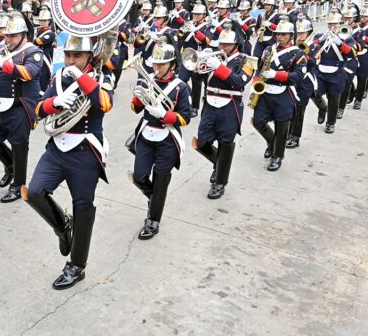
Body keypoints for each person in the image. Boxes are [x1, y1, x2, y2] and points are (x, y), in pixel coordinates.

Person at [25, 34, 113, 289]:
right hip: (57, 147)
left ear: (89, 57)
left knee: (83, 207)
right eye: (68, 55)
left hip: (86, 151)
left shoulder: (102, 77)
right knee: (34, 192)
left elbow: (104, 103)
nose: (71, 60)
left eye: (78, 56)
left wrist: (81, 77)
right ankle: (63, 226)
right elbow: (39, 109)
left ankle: (77, 265)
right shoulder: (58, 77)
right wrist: (54, 102)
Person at [127, 40, 191, 240]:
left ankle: (153, 221)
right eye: (154, 64)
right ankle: (154, 198)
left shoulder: (181, 87)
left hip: (167, 139)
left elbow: (185, 118)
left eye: (161, 64)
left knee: (161, 181)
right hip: (146, 135)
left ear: (172, 64)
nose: (156, 68)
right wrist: (139, 96)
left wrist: (165, 114)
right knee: (139, 176)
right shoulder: (148, 80)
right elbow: (135, 109)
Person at [0, 11, 43, 203]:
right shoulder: (2, 47)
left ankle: (18, 184)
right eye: (6, 35)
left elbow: (29, 73)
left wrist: (4, 63)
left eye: (13, 36)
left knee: (19, 146)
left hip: (20, 106)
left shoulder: (33, 52)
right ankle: (10, 165)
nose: (8, 39)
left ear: (24, 35)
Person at [191, 23, 250, 199]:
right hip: (210, 104)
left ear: (236, 45)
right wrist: (196, 67)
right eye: (221, 44)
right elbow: (197, 79)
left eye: (227, 45)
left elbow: (239, 82)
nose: (222, 47)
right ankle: (220, 164)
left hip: (230, 105)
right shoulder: (212, 56)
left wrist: (219, 67)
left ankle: (220, 182)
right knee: (202, 141)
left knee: (226, 143)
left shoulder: (246, 61)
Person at [251, 17, 307, 171]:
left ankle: (277, 156)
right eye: (278, 34)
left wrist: (276, 75)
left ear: (291, 35)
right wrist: (255, 81)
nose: (279, 37)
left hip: (284, 92)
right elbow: (259, 67)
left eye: (283, 34)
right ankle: (271, 142)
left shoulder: (298, 53)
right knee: (258, 121)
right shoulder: (269, 49)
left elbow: (298, 76)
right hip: (265, 90)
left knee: (282, 126)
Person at [307, 11, 355, 134]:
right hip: (321, 70)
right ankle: (323, 108)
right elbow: (309, 49)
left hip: (337, 71)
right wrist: (319, 40)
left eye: (335, 23)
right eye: (330, 23)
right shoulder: (320, 36)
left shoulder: (347, 37)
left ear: (340, 24)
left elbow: (352, 53)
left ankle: (330, 123)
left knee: (334, 98)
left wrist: (339, 42)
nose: (332, 26)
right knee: (313, 92)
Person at [286, 15, 314, 149]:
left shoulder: (314, 44)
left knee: (299, 110)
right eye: (299, 32)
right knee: (290, 108)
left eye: (303, 32)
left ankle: (295, 137)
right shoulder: (293, 45)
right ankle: (287, 133)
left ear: (309, 32)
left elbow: (313, 64)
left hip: (305, 81)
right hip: (292, 80)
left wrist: (305, 56)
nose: (300, 35)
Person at [33, 7, 55, 92]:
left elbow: (37, 42)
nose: (42, 22)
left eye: (44, 20)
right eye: (41, 20)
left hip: (44, 58)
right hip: (34, 57)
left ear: (49, 21)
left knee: (43, 78)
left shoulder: (50, 33)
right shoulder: (36, 31)